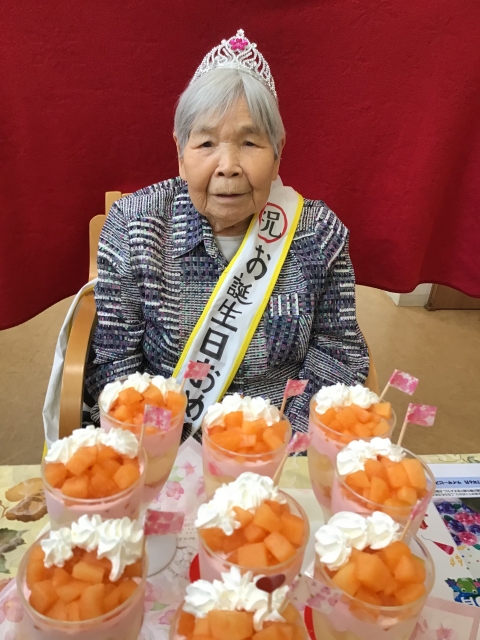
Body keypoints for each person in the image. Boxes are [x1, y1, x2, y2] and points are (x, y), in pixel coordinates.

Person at [85, 29, 370, 439]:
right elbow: (114, 363)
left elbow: (338, 356)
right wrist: (159, 445)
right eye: (206, 143)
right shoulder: (134, 225)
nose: (228, 166)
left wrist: (286, 446)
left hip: (277, 439)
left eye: (250, 143)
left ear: (278, 152)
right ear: (180, 153)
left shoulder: (318, 234)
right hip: (166, 439)